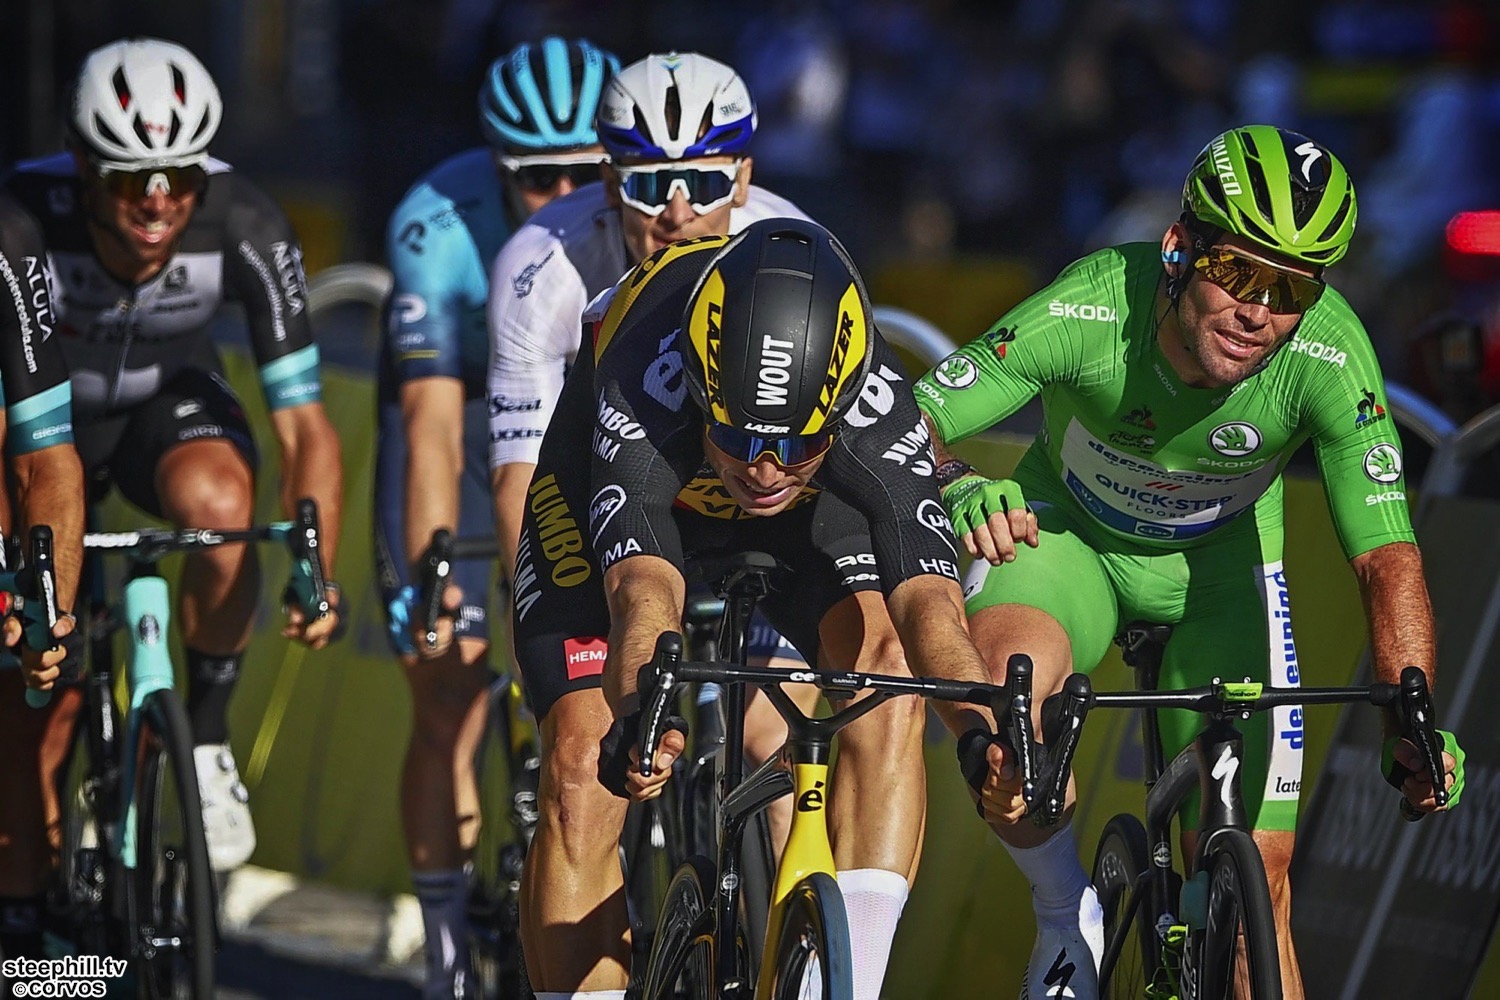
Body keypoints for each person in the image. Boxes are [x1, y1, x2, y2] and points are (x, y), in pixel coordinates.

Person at [914, 124, 1466, 999]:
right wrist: (953, 483)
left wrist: (1414, 709)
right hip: (1071, 545)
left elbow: (1387, 558)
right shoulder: (1094, 304)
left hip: (1222, 577)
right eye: (1240, 273)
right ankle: (1067, 915)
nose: (1258, 312)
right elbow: (918, 416)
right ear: (1178, 249)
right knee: (1008, 708)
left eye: (1290, 289)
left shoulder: (1329, 356)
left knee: (1263, 875)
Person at [512, 217, 1008, 1000]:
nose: (767, 469)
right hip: (612, 499)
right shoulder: (648, 380)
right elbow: (644, 591)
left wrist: (986, 732)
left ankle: (850, 983)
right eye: (740, 439)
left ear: (839, 406)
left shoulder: (873, 406)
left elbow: (931, 608)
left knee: (886, 674)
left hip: (807, 527)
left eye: (798, 444)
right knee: (581, 764)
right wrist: (649, 706)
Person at [1, 37, 345, 874]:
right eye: (127, 180)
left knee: (224, 503)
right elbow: (43, 458)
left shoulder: (248, 219)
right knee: (34, 701)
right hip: (39, 422)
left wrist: (316, 570)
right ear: (83, 165)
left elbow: (304, 428)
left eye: (181, 180)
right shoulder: (19, 222)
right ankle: (27, 910)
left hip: (166, 405)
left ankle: (205, 741)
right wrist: (40, 604)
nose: (157, 206)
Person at [486, 48, 825, 891]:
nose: (678, 213)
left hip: (750, 503)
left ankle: (793, 951)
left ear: (742, 180)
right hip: (596, 499)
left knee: (775, 735)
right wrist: (548, 659)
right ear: (609, 183)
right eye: (649, 185)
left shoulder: (797, 250)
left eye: (704, 185)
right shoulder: (541, 267)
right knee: (584, 748)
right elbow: (521, 480)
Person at [375, 35, 618, 1000]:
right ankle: (441, 940)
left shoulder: (636, 212)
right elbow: (431, 425)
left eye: (582, 170)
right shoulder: (436, 220)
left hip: (586, 415)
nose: (561, 191)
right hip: (469, 413)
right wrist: (438, 566)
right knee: (446, 691)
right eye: (535, 174)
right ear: (493, 163)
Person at [0, 192, 86, 966]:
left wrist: (44, 616)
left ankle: (25, 936)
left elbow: (45, 459)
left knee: (24, 706)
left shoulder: (8, 238)